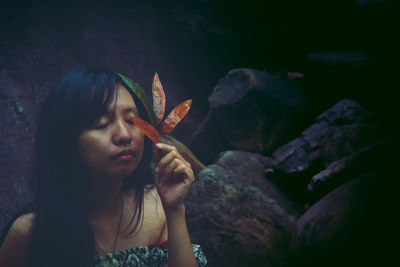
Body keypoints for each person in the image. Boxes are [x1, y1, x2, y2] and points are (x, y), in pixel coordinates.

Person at [0, 67, 207, 267]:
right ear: (65, 140)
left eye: (131, 120)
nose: (125, 135)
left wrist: (175, 210)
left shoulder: (158, 206)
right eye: (102, 124)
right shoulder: (30, 232)